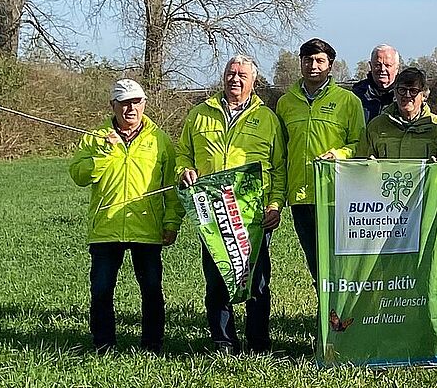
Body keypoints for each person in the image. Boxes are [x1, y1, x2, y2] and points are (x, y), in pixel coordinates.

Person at [179, 55, 285, 353]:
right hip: (212, 213)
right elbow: (182, 154)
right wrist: (183, 170)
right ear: (223, 76)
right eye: (230, 73)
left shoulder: (268, 119)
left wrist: (275, 205)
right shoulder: (199, 114)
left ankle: (259, 342)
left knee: (257, 280)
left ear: (254, 81)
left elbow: (279, 168)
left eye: (242, 75)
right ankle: (223, 341)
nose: (235, 79)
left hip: (252, 216)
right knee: (216, 281)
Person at [68, 78, 180, 352]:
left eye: (136, 103)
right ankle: (103, 343)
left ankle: (152, 344)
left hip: (147, 226)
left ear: (144, 104)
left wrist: (171, 222)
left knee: (152, 290)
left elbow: (172, 188)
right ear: (113, 105)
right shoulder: (95, 138)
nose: (130, 109)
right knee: (102, 290)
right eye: (124, 103)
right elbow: (79, 176)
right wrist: (106, 151)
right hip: (107, 227)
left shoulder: (160, 140)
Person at [274, 37, 366, 279]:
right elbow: (280, 152)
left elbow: (361, 145)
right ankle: (325, 316)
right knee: (315, 264)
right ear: (301, 63)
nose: (313, 65)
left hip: (335, 196)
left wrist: (339, 154)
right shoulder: (285, 103)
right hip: (301, 196)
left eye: (319, 60)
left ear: (330, 65)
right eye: (308, 60)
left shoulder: (348, 101)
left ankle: (343, 315)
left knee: (340, 264)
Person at [359, 67, 437, 159]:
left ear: (424, 95)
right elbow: (361, 164)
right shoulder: (376, 126)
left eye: (413, 91)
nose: (407, 95)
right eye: (402, 90)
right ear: (395, 92)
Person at [350, 43, 400, 122]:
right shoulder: (357, 95)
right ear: (370, 66)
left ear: (397, 68)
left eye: (388, 65)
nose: (382, 69)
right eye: (377, 65)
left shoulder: (405, 95)